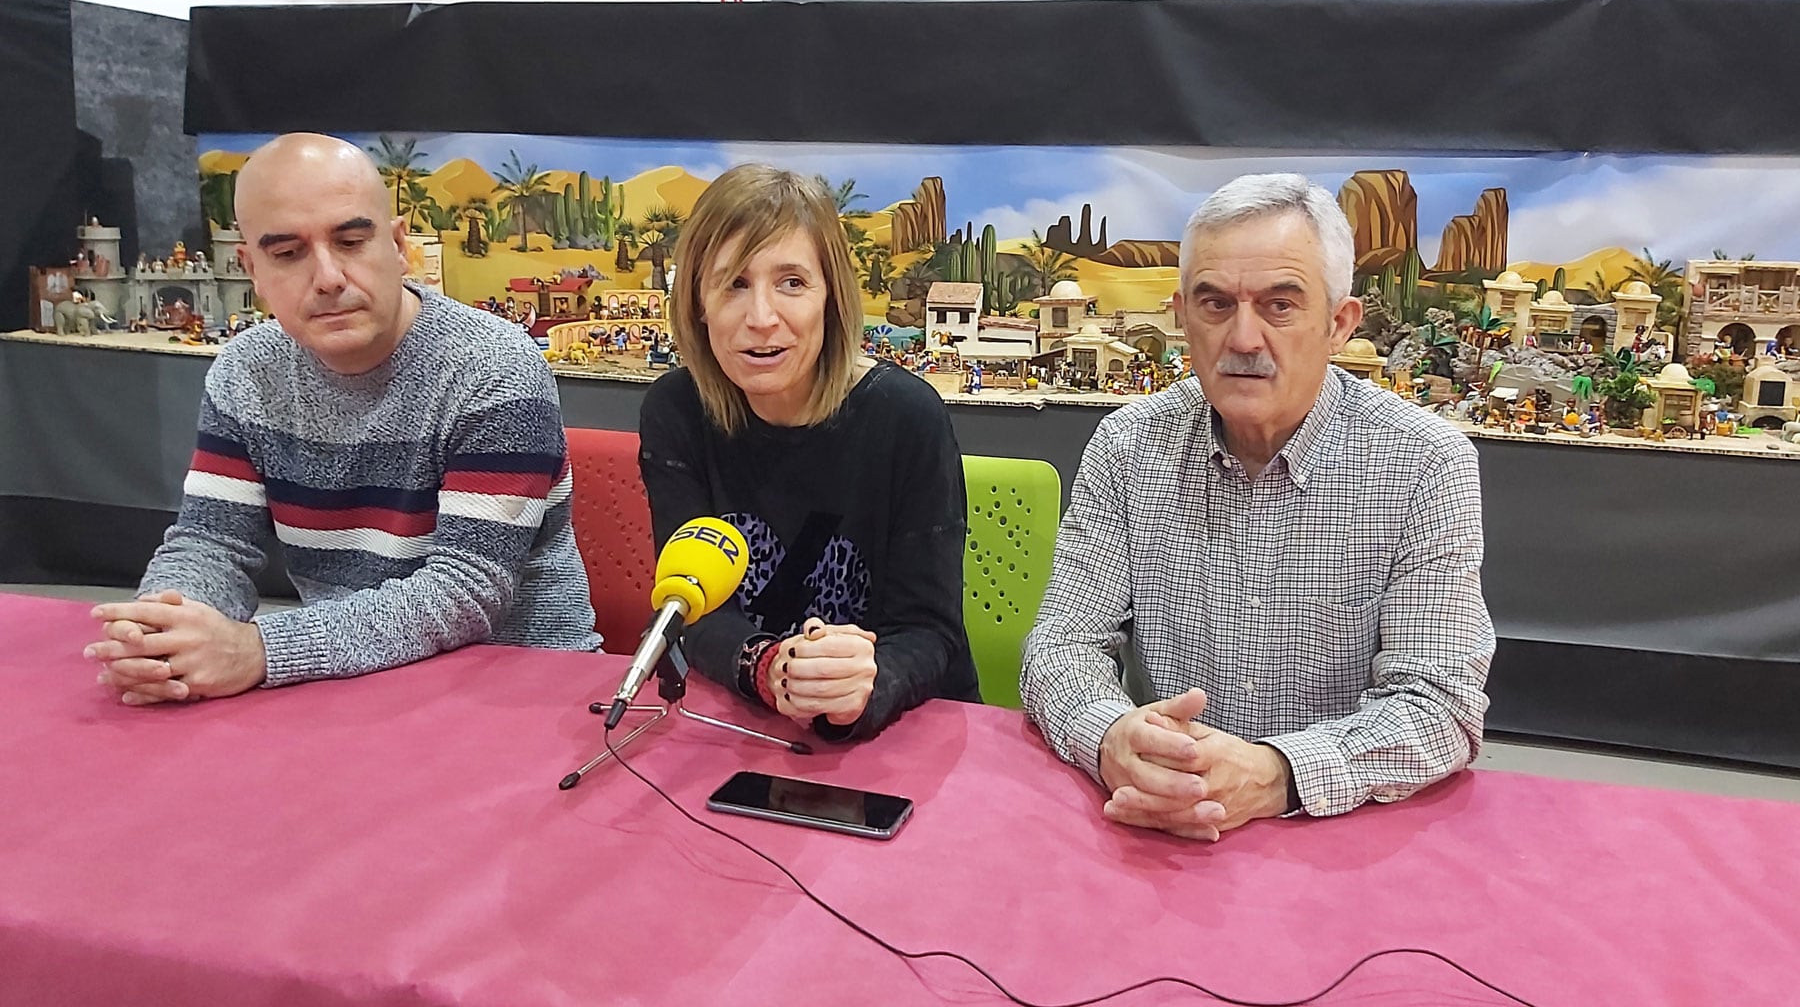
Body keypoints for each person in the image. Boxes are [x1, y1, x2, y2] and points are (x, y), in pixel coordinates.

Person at [1021, 173, 1493, 841]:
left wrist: (1276, 773)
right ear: (1182, 316)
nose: (1243, 338)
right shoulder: (1127, 446)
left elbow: (1439, 706)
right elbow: (1062, 646)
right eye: (1215, 304)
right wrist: (1112, 737)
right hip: (1160, 823)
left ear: (1338, 324)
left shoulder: (1424, 464)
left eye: (1279, 305)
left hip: (1334, 834)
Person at [84, 133, 597, 706]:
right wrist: (163, 630)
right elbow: (212, 541)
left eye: (351, 241)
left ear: (399, 245)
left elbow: (467, 592)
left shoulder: (494, 367)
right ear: (250, 267)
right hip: (344, 685)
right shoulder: (245, 372)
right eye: (288, 254)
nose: (327, 277)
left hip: (519, 693)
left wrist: (258, 652)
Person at [638, 163, 980, 740]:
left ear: (831, 299)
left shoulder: (907, 417)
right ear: (697, 303)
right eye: (733, 283)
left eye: (792, 282)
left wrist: (860, 688)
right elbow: (690, 614)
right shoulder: (676, 412)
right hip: (746, 727)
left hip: (903, 731)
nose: (762, 318)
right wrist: (769, 669)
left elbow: (929, 632)